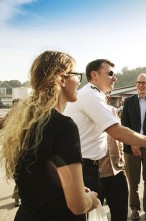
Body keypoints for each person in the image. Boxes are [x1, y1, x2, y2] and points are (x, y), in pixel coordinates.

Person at [0, 50, 100, 221]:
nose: (78, 82)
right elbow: (77, 206)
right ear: (61, 79)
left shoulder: (24, 123)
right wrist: (92, 199)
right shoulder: (63, 126)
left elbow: (41, 182)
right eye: (77, 75)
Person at [64, 60, 146, 200]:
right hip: (85, 166)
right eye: (110, 73)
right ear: (94, 75)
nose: (115, 78)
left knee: (122, 194)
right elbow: (117, 131)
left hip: (95, 165)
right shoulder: (90, 95)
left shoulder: (96, 95)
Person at [121, 73, 146, 221]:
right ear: (135, 84)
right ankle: (135, 209)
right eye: (139, 82)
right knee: (133, 181)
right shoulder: (128, 102)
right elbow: (124, 125)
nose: (141, 85)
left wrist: (141, 142)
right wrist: (133, 142)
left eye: (144, 83)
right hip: (131, 148)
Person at [99, 102, 128, 221]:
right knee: (95, 215)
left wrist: (121, 157)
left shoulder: (112, 110)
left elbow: (119, 138)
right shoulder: (85, 110)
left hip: (116, 170)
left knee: (120, 213)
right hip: (97, 173)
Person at [0, 99, 22, 207]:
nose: (16, 108)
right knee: (15, 173)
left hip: (21, 150)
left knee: (19, 173)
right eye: (15, 106)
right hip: (10, 150)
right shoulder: (9, 116)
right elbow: (1, 126)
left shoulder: (25, 117)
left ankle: (17, 196)